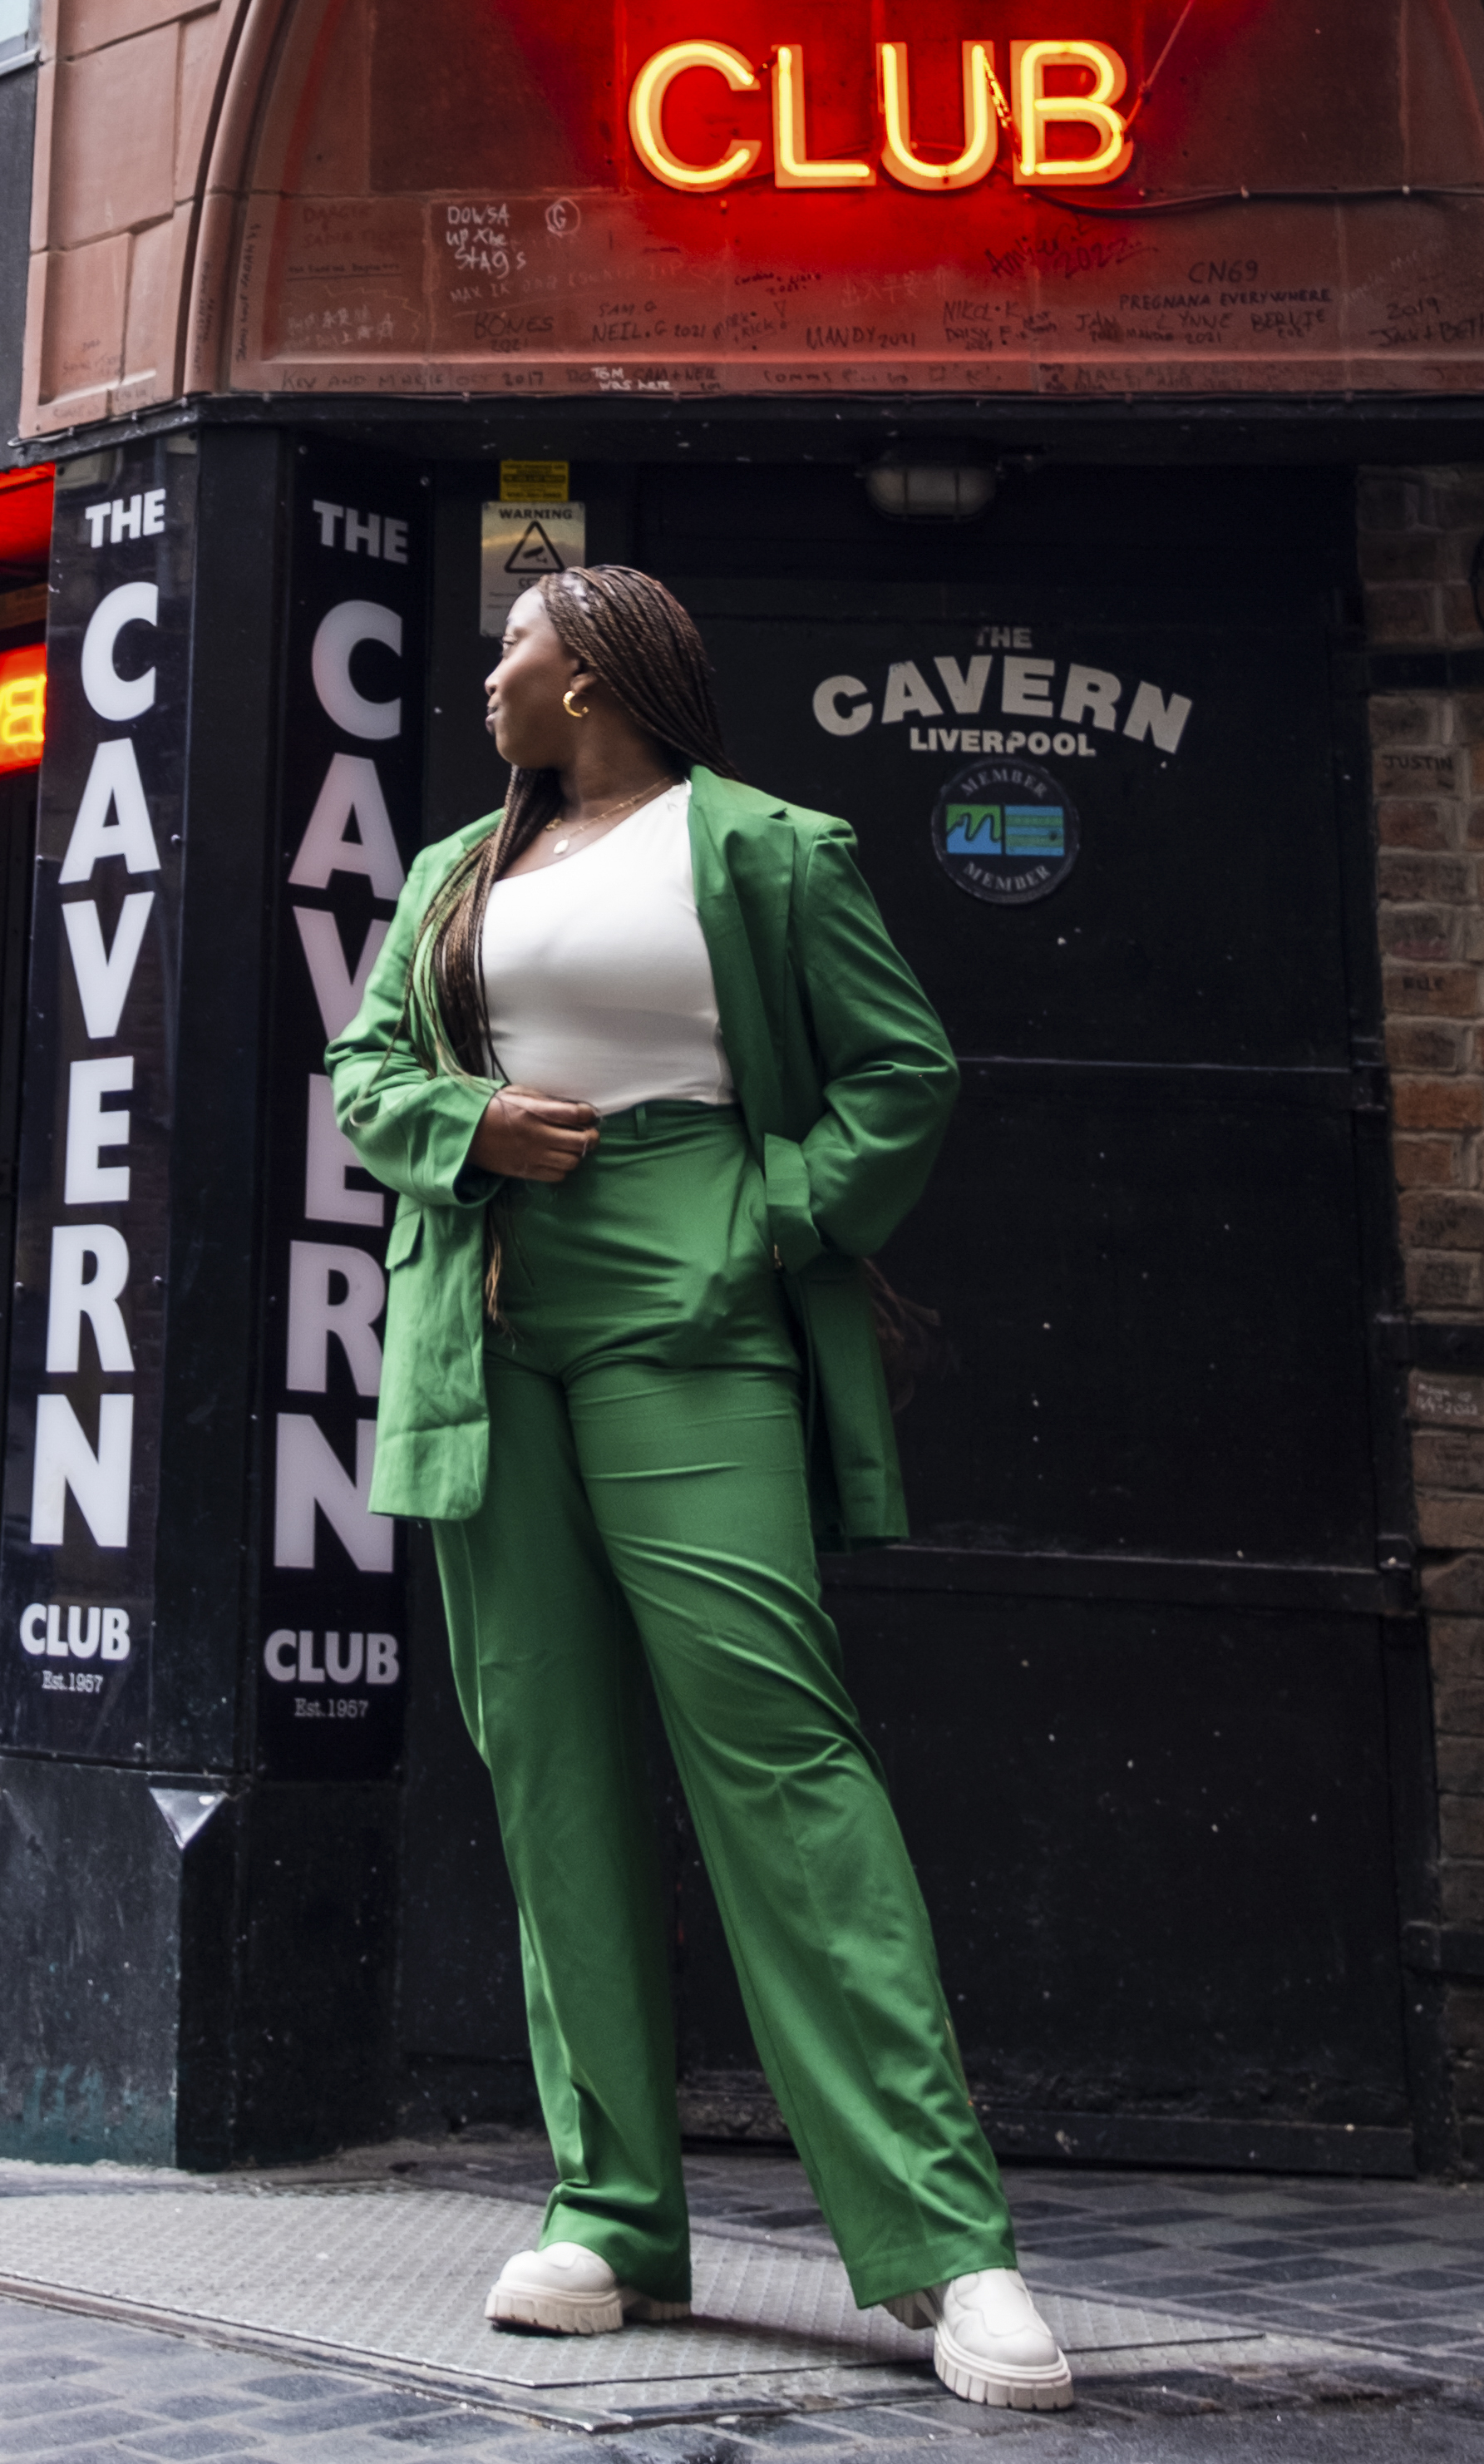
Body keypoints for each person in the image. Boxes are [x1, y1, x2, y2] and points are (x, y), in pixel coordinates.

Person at [328, 565, 1072, 2414]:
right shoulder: (449, 876)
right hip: (487, 1318)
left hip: (692, 1299)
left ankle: (941, 2245)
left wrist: (762, 1224)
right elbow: (360, 1073)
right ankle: (605, 2217)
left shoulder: (763, 850)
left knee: (778, 1755)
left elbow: (900, 1071)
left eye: (506, 650)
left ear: (585, 673)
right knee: (547, 1767)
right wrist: (462, 1123)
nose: (482, 679)